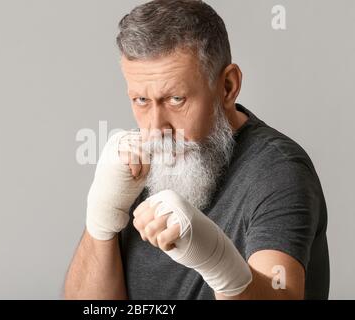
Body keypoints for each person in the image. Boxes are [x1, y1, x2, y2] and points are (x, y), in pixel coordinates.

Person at [64, 0, 329, 300]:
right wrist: (102, 218)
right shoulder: (136, 161)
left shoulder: (278, 171)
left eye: (176, 99)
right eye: (140, 101)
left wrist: (220, 265)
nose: (155, 127)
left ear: (228, 86)